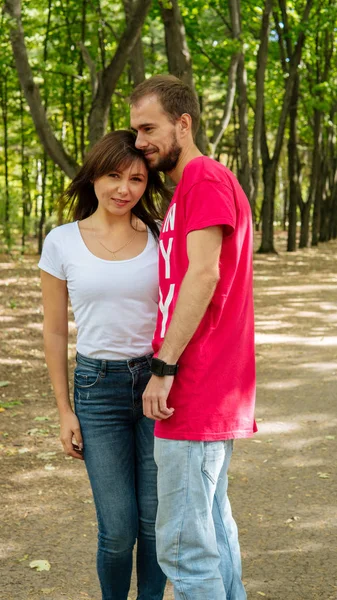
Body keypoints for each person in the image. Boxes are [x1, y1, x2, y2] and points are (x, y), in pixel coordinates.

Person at [130, 75, 257, 600]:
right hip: (209, 388)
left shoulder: (203, 177)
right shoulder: (190, 188)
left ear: (184, 123)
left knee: (184, 547)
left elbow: (203, 276)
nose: (140, 142)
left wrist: (163, 368)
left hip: (196, 387)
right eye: (136, 130)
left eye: (149, 128)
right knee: (212, 532)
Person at [38, 130, 170, 600]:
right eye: (114, 175)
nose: (124, 188)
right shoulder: (61, 242)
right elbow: (55, 331)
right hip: (97, 388)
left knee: (155, 522)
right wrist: (64, 409)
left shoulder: (160, 234)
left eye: (136, 178)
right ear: (94, 175)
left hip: (158, 385)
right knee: (118, 530)